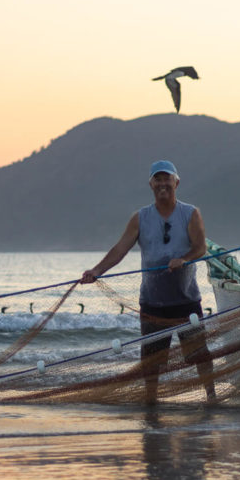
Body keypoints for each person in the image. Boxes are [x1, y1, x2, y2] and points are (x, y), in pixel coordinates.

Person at [81, 160, 216, 403]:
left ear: (177, 182)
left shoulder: (191, 213)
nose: (162, 184)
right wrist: (97, 270)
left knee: (199, 354)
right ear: (151, 184)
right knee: (152, 360)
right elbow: (120, 249)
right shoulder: (140, 217)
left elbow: (201, 248)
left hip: (186, 300)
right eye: (158, 179)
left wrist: (183, 259)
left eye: (167, 179)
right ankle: (151, 403)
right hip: (153, 302)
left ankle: (211, 396)